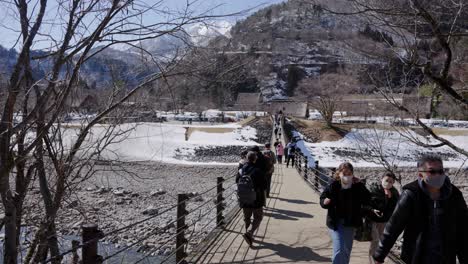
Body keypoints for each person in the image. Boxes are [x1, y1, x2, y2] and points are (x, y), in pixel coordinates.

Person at [373, 154, 468, 264]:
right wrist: (379, 255)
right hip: (416, 255)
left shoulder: (454, 195)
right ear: (420, 175)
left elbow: (463, 230)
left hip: (445, 257)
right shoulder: (411, 194)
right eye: (432, 172)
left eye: (440, 171)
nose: (437, 175)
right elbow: (394, 226)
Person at [320, 162, 376, 264]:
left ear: (352, 174)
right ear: (339, 173)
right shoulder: (334, 184)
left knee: (346, 249)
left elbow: (368, 199)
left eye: (349, 173)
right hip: (336, 222)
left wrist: (360, 185)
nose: (346, 176)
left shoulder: (357, 185)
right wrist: (325, 202)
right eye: (344, 173)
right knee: (340, 248)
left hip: (350, 222)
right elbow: (323, 198)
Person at [236, 151, 267, 247]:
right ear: (255, 159)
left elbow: (237, 181)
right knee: (258, 217)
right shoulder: (258, 171)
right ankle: (250, 233)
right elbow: (264, 185)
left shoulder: (241, 170)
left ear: (247, 158)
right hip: (256, 199)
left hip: (244, 198)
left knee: (247, 217)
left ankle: (247, 233)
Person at [367, 172, 400, 264]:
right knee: (375, 240)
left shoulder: (394, 192)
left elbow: (395, 208)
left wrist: (389, 198)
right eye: (386, 180)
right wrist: (372, 210)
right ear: (382, 179)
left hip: (384, 221)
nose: (388, 183)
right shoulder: (374, 189)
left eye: (391, 182)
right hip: (372, 219)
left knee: (381, 242)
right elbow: (367, 203)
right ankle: (373, 261)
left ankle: (376, 260)